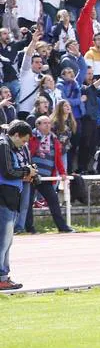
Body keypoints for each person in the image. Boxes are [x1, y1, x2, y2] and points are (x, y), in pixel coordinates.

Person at [2, 121, 39, 290]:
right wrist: (27, 172)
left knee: (7, 241)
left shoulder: (10, 146)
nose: (24, 145)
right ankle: (2, 277)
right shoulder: (4, 145)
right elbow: (8, 172)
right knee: (3, 241)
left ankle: (4, 275)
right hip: (3, 198)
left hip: (9, 197)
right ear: (15, 135)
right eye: (23, 141)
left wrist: (27, 171)